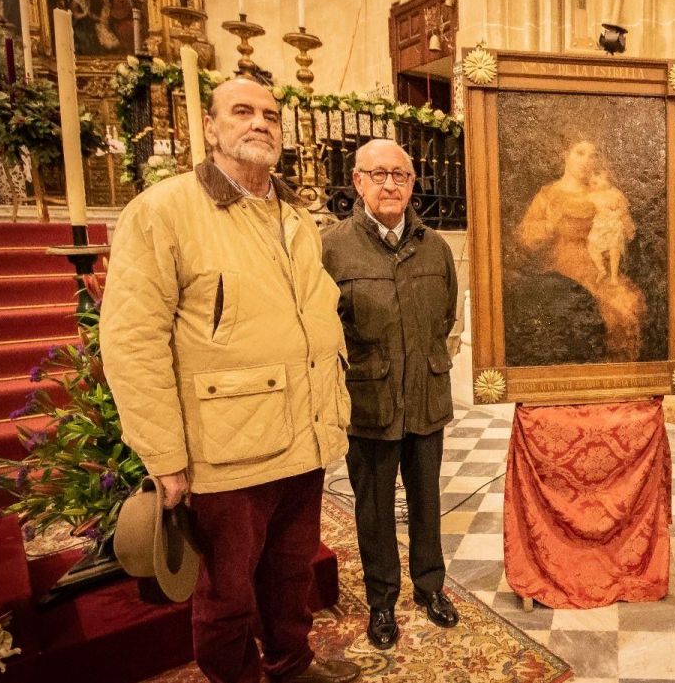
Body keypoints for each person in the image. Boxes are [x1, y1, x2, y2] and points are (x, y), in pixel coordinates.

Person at [101, 78, 360, 683]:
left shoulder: (295, 217)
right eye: (242, 112)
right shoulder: (164, 211)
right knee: (227, 595)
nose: (260, 123)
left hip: (302, 438)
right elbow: (133, 343)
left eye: (270, 114)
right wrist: (165, 455)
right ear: (210, 128)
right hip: (224, 450)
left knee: (290, 574)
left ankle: (291, 665)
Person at [320, 138, 460, 651]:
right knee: (374, 508)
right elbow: (323, 326)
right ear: (358, 182)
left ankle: (430, 586)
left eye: (399, 175)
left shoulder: (435, 246)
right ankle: (382, 600)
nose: (389, 185)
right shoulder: (332, 247)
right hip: (370, 402)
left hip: (425, 395)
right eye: (377, 174)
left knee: (427, 500)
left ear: (412, 183)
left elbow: (446, 315)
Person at [516, 140, 645, 362]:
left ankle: (615, 374)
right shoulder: (550, 194)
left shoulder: (603, 193)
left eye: (592, 155)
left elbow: (623, 232)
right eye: (580, 153)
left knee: (628, 304)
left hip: (598, 266)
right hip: (562, 267)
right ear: (566, 155)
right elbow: (525, 236)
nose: (587, 161)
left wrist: (619, 227)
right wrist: (550, 226)